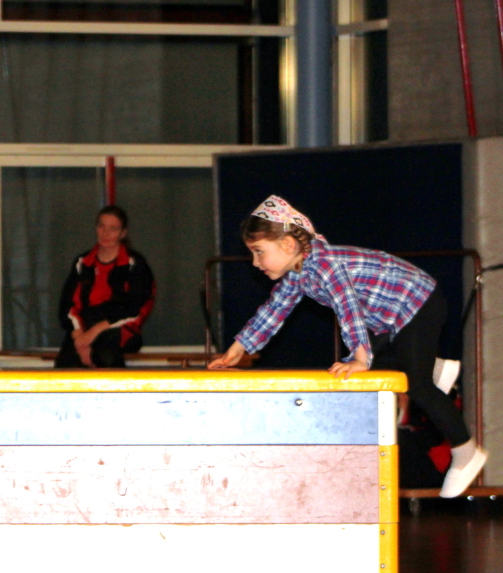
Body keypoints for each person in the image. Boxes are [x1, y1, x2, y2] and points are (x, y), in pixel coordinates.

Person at [209, 195, 488, 498]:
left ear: (288, 245)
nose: (255, 262)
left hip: (417, 301)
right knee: (374, 368)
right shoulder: (299, 272)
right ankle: (434, 367)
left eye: (259, 252)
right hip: (392, 315)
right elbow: (274, 309)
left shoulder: (326, 266)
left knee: (415, 386)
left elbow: (348, 308)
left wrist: (358, 356)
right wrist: (239, 347)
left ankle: (466, 451)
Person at [54, 205, 156, 368]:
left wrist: (95, 331)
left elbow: (135, 307)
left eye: (113, 229)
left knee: (104, 356)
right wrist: (79, 337)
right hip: (85, 327)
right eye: (101, 226)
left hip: (120, 327)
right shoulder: (82, 262)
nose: (105, 233)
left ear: (123, 233)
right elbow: (68, 306)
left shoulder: (135, 264)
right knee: (66, 363)